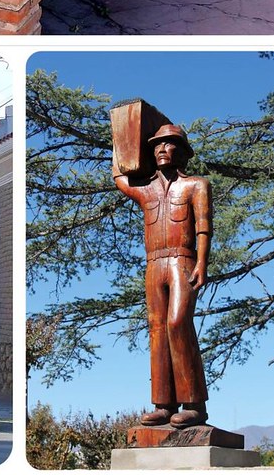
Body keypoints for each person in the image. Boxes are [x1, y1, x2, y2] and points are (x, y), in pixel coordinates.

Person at [112, 123, 212, 428]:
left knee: (178, 323)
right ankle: (163, 404)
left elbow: (204, 227)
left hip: (182, 260)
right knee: (157, 331)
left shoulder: (196, 186)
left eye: (168, 145)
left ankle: (194, 404)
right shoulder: (147, 189)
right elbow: (119, 179)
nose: (161, 150)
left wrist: (202, 263)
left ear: (181, 152)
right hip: (154, 265)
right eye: (156, 146)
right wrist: (121, 135)